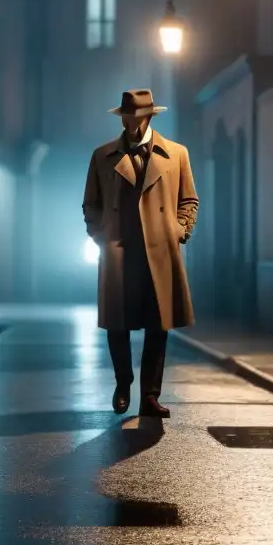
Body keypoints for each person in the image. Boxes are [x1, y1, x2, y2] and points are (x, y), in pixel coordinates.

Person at [82, 89, 199, 418]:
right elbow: (91, 203)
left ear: (148, 118)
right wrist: (100, 235)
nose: (130, 124)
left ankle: (150, 395)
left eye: (135, 118)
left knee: (157, 326)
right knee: (116, 325)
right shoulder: (102, 156)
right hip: (120, 251)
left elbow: (188, 199)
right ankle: (123, 383)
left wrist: (180, 229)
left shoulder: (176, 154)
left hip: (159, 252)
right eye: (125, 118)